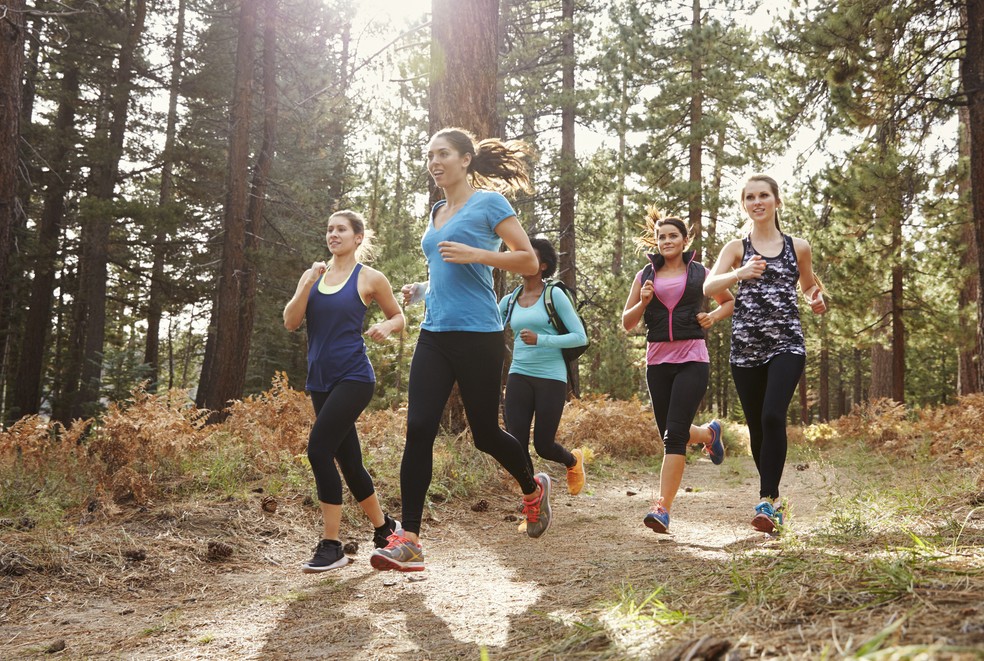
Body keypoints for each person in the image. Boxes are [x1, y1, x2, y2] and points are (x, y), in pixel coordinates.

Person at [370, 128, 553, 573]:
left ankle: (533, 488)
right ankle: (409, 539)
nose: (434, 162)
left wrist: (478, 254)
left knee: (486, 434)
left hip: (479, 334)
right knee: (418, 428)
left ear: (466, 159)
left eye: (443, 154)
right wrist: (423, 290)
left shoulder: (489, 204)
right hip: (435, 333)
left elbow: (529, 260)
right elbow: (447, 270)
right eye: (429, 154)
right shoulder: (436, 211)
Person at [704, 175, 827, 534]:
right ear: (744, 204)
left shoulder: (797, 246)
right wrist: (739, 273)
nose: (758, 202)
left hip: (786, 343)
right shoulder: (737, 248)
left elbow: (809, 286)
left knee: (773, 416)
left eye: (764, 195)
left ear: (776, 200)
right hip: (746, 347)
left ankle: (767, 499)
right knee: (758, 425)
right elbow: (709, 285)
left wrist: (816, 300)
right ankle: (773, 503)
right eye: (750, 197)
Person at [283, 210, 406, 572]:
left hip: (354, 377)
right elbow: (291, 322)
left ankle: (332, 544)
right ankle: (385, 530)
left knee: (319, 451)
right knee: (350, 462)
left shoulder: (369, 277)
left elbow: (399, 317)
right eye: (329, 229)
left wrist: (386, 326)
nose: (333, 234)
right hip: (319, 380)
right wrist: (306, 283)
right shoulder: (315, 276)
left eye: (341, 229)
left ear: (357, 237)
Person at [622, 208, 735, 534]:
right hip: (657, 363)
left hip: (692, 359)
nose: (667, 241)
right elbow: (627, 323)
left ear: (685, 240)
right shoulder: (645, 275)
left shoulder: (701, 273)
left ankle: (662, 508)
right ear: (656, 242)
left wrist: (712, 317)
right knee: (676, 434)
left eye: (673, 236)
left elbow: (728, 301)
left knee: (673, 436)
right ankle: (709, 434)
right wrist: (643, 302)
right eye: (662, 237)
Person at [499, 237, 588, 504]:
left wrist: (542, 339)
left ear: (543, 265)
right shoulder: (510, 299)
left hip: (551, 377)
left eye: (531, 256)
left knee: (544, 446)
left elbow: (580, 337)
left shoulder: (554, 295)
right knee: (516, 443)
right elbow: (487, 324)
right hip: (519, 374)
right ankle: (534, 500)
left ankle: (572, 460)